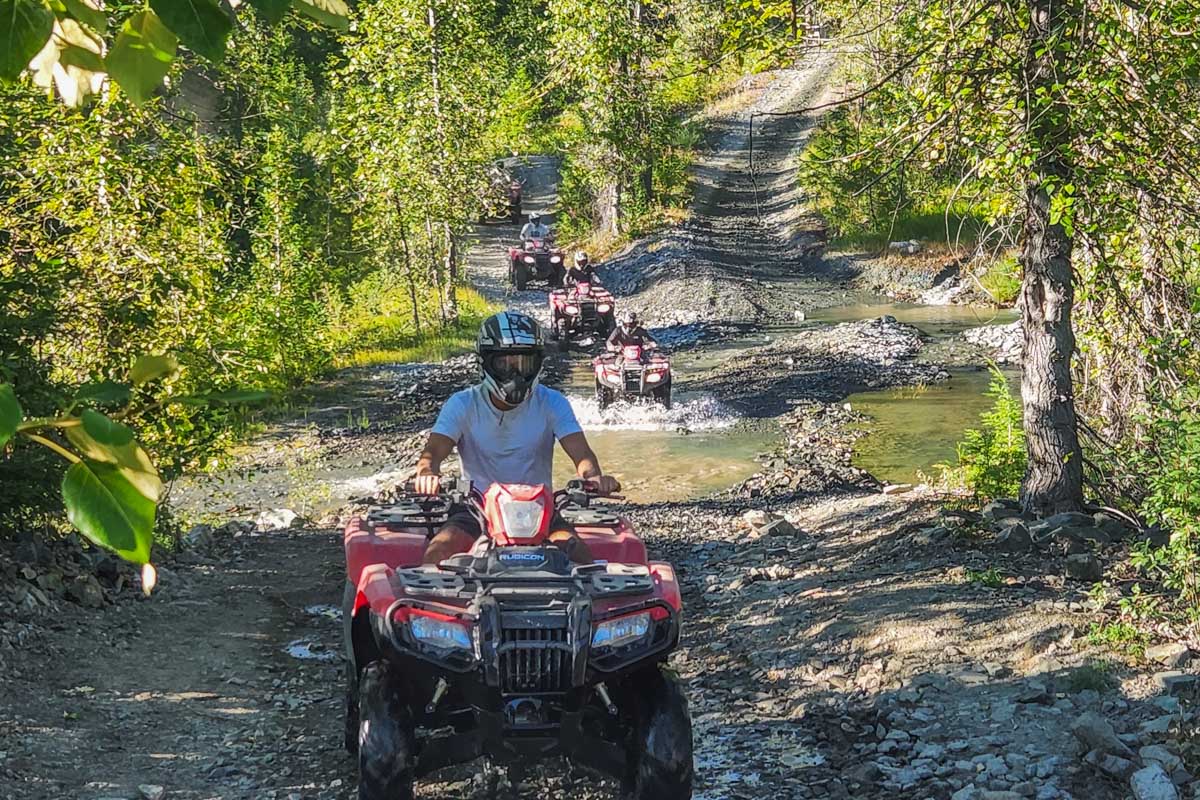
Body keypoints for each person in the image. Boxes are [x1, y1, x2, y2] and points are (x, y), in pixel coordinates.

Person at [414, 311, 620, 565]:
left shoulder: (552, 402)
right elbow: (433, 451)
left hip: (539, 509)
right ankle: (427, 604)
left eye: (523, 364)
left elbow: (582, 453)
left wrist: (593, 478)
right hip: (476, 508)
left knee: (582, 560)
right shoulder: (462, 404)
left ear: (537, 364)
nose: (515, 375)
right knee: (438, 553)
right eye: (505, 364)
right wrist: (426, 474)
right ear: (486, 363)